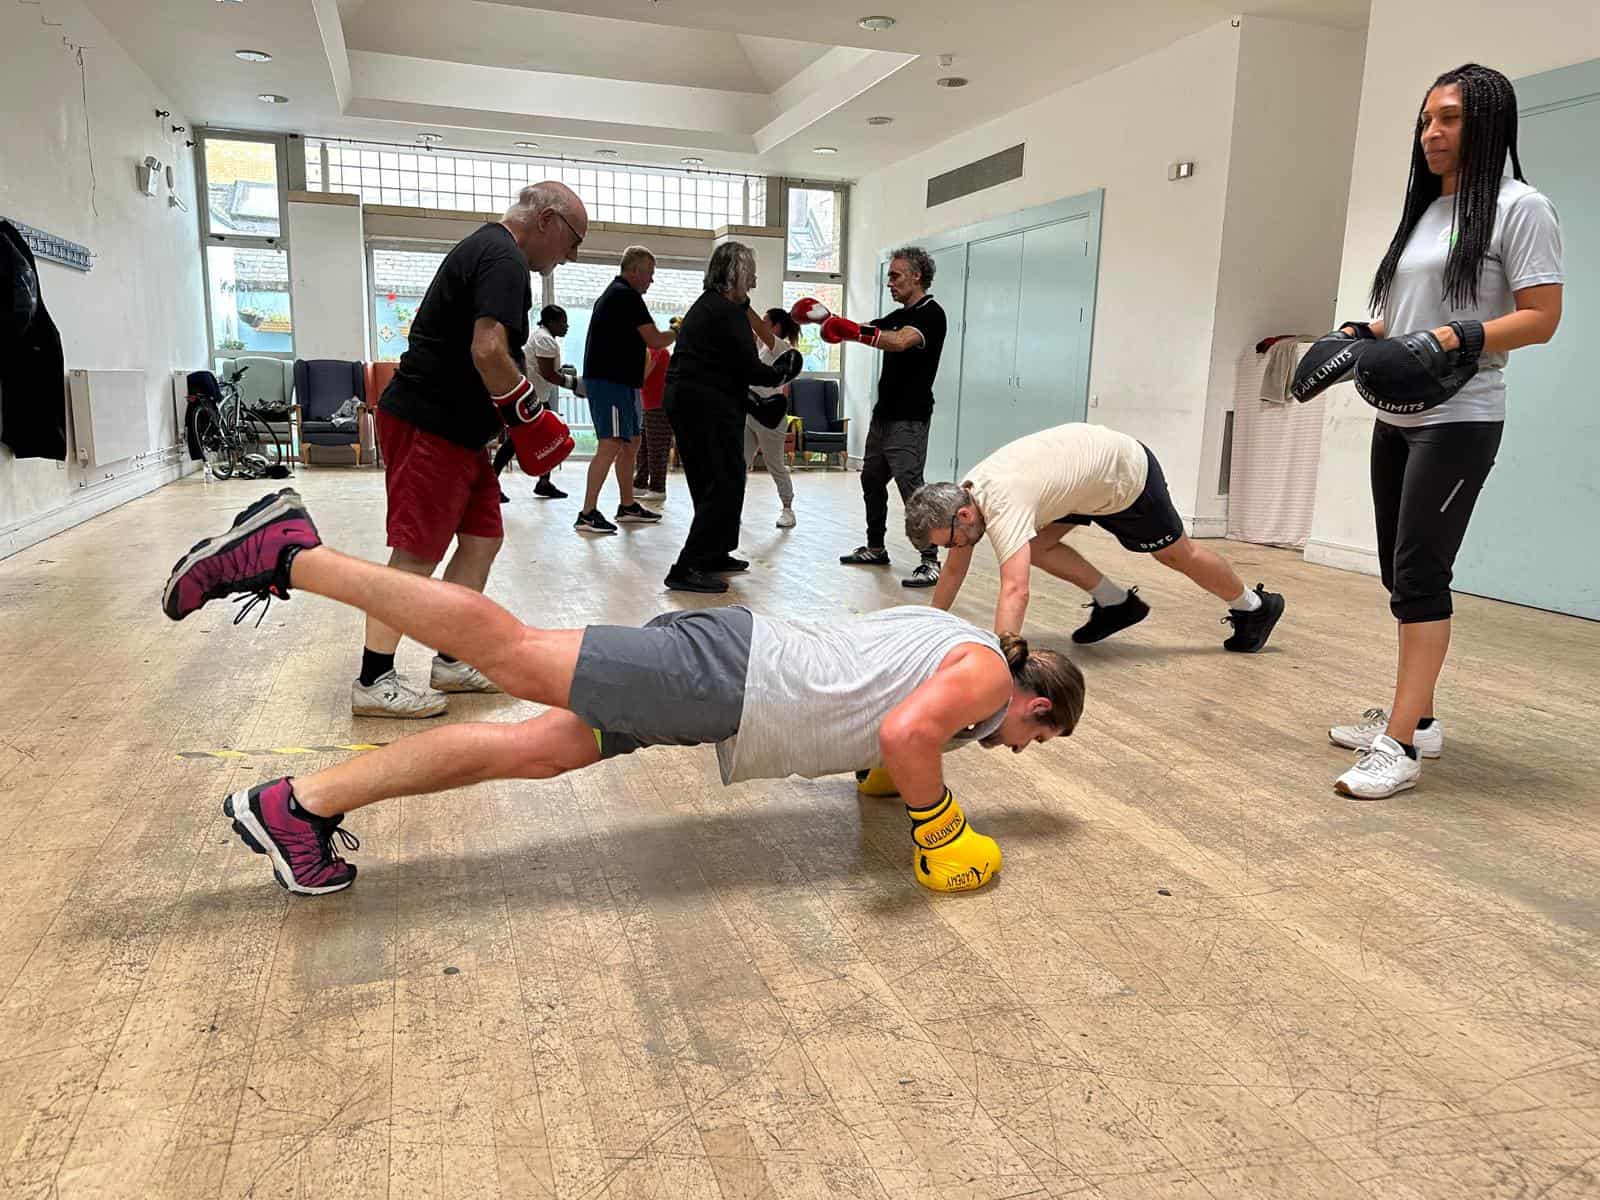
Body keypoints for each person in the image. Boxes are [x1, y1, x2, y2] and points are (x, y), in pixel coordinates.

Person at [161, 488, 1086, 896]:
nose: (1009, 749)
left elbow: (882, 720)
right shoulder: (983, 678)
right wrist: (941, 826)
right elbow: (905, 732)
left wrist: (896, 773)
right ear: (1038, 702)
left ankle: (296, 807)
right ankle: (296, 557)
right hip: (723, 679)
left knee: (534, 749)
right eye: (1029, 740)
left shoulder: (960, 639)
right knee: (517, 653)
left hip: (725, 671)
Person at [1314, 64, 1562, 799]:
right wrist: (1365, 332)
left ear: (1488, 124)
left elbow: (1541, 318)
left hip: (1462, 417)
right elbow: (1411, 319)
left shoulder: (1521, 207)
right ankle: (1417, 719)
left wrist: (1456, 338)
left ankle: (1399, 746)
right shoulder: (1426, 211)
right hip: (1397, 416)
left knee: (1422, 577)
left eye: (1449, 118)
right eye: (1426, 119)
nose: (1432, 132)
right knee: (1398, 571)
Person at [361, 182, 587, 718]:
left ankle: (451, 658)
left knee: (482, 539)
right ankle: (373, 679)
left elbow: (490, 351)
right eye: (573, 240)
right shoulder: (503, 256)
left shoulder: (494, 253)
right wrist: (527, 415)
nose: (571, 256)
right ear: (548, 220)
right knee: (416, 553)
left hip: (462, 429)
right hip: (431, 421)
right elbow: (487, 349)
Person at [904, 423, 1287, 650]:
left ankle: (1254, 607)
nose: (952, 549)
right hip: (1082, 479)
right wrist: (928, 626)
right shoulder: (966, 496)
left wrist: (1003, 660)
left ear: (964, 514)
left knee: (1176, 555)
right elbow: (954, 572)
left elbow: (1015, 591)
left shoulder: (1005, 503)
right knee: (1036, 546)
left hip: (1125, 476)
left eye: (949, 541)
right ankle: (1116, 603)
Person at [791, 247, 946, 588]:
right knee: (871, 481)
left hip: (910, 419)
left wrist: (850, 330)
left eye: (895, 275)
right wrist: (825, 317)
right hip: (884, 416)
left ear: (916, 276)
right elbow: (866, 329)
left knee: (913, 491)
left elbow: (898, 342)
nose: (889, 282)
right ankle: (876, 547)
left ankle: (930, 560)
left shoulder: (931, 315)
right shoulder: (897, 314)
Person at [662, 242, 802, 593]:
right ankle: (687, 565)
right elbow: (748, 366)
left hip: (701, 401)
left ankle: (714, 552)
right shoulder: (721, 310)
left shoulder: (719, 307)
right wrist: (780, 375)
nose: (754, 281)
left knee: (726, 477)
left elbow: (732, 367)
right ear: (735, 274)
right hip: (701, 405)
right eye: (751, 272)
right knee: (720, 481)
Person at [576, 246, 675, 534]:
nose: (651, 281)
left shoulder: (620, 295)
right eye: (650, 274)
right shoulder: (625, 295)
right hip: (611, 382)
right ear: (635, 271)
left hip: (623, 382)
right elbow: (655, 340)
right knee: (611, 444)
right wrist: (680, 332)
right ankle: (587, 512)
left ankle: (627, 505)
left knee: (631, 442)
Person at [494, 304, 573, 501]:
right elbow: (548, 374)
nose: (566, 326)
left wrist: (561, 373)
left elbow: (544, 370)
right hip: (532, 400)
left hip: (535, 396)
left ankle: (544, 482)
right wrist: (575, 384)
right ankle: (491, 484)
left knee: (546, 438)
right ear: (552, 323)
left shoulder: (542, 336)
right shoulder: (545, 340)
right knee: (515, 442)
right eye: (563, 322)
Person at [744, 306, 801, 529]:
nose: (762, 323)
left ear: (776, 326)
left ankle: (788, 509)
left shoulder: (781, 348)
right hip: (751, 412)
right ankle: (732, 508)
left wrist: (745, 303)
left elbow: (756, 327)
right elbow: (751, 331)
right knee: (740, 462)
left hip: (771, 416)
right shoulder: (761, 349)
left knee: (774, 464)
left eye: (766, 320)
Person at [632, 342, 672, 500]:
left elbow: (641, 376)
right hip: (649, 404)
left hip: (659, 404)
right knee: (644, 448)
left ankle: (658, 488)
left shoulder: (656, 350)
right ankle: (640, 483)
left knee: (657, 448)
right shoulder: (649, 351)